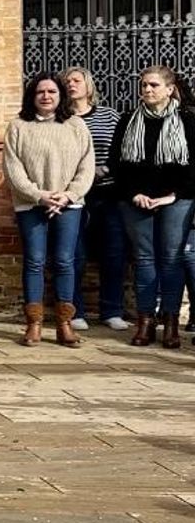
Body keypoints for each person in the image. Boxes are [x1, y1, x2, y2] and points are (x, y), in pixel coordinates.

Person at [4, 72, 94, 348]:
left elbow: (86, 166)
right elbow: (13, 169)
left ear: (60, 96)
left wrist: (67, 196)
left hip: (68, 205)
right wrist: (40, 196)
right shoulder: (19, 126)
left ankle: (64, 324)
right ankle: (34, 324)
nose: (46, 96)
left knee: (65, 261)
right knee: (34, 261)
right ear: (32, 96)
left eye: (52, 92)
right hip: (32, 204)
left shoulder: (76, 125)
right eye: (40, 92)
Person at [110, 65, 195, 349]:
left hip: (177, 200)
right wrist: (134, 193)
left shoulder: (188, 121)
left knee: (171, 260)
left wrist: (173, 195)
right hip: (136, 201)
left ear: (170, 89)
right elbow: (117, 165)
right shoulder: (128, 121)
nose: (147, 89)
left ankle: (170, 321)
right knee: (144, 259)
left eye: (154, 85)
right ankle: (145, 321)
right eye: (144, 85)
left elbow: (193, 167)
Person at [63, 66, 128, 332]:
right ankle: (75, 310)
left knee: (114, 253)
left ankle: (111, 310)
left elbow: (121, 150)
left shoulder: (109, 116)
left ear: (89, 86)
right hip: (75, 195)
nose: (71, 85)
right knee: (74, 254)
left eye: (76, 80)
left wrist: (105, 169)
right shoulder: (62, 119)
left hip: (107, 193)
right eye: (67, 81)